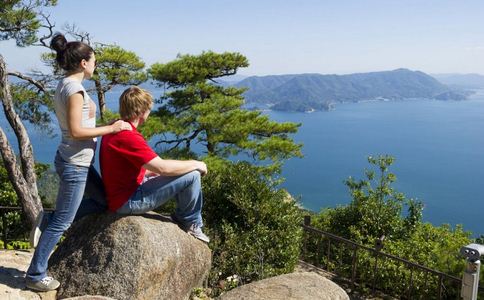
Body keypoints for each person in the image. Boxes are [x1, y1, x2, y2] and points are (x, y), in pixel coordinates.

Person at [25, 33, 132, 292]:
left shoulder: (65, 84)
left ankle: (49, 219)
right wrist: (112, 130)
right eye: (93, 60)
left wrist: (105, 126)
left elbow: (81, 126)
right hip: (75, 164)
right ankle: (35, 273)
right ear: (84, 63)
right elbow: (76, 131)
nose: (95, 65)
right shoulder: (75, 90)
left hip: (73, 159)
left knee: (104, 201)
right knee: (64, 221)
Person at [100, 86, 210, 243]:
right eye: (149, 109)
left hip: (121, 192)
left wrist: (148, 173)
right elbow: (162, 167)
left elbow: (123, 167)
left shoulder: (116, 128)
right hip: (127, 200)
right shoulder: (128, 136)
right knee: (192, 175)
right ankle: (190, 222)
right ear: (142, 111)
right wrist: (196, 163)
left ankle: (184, 218)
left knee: (177, 172)